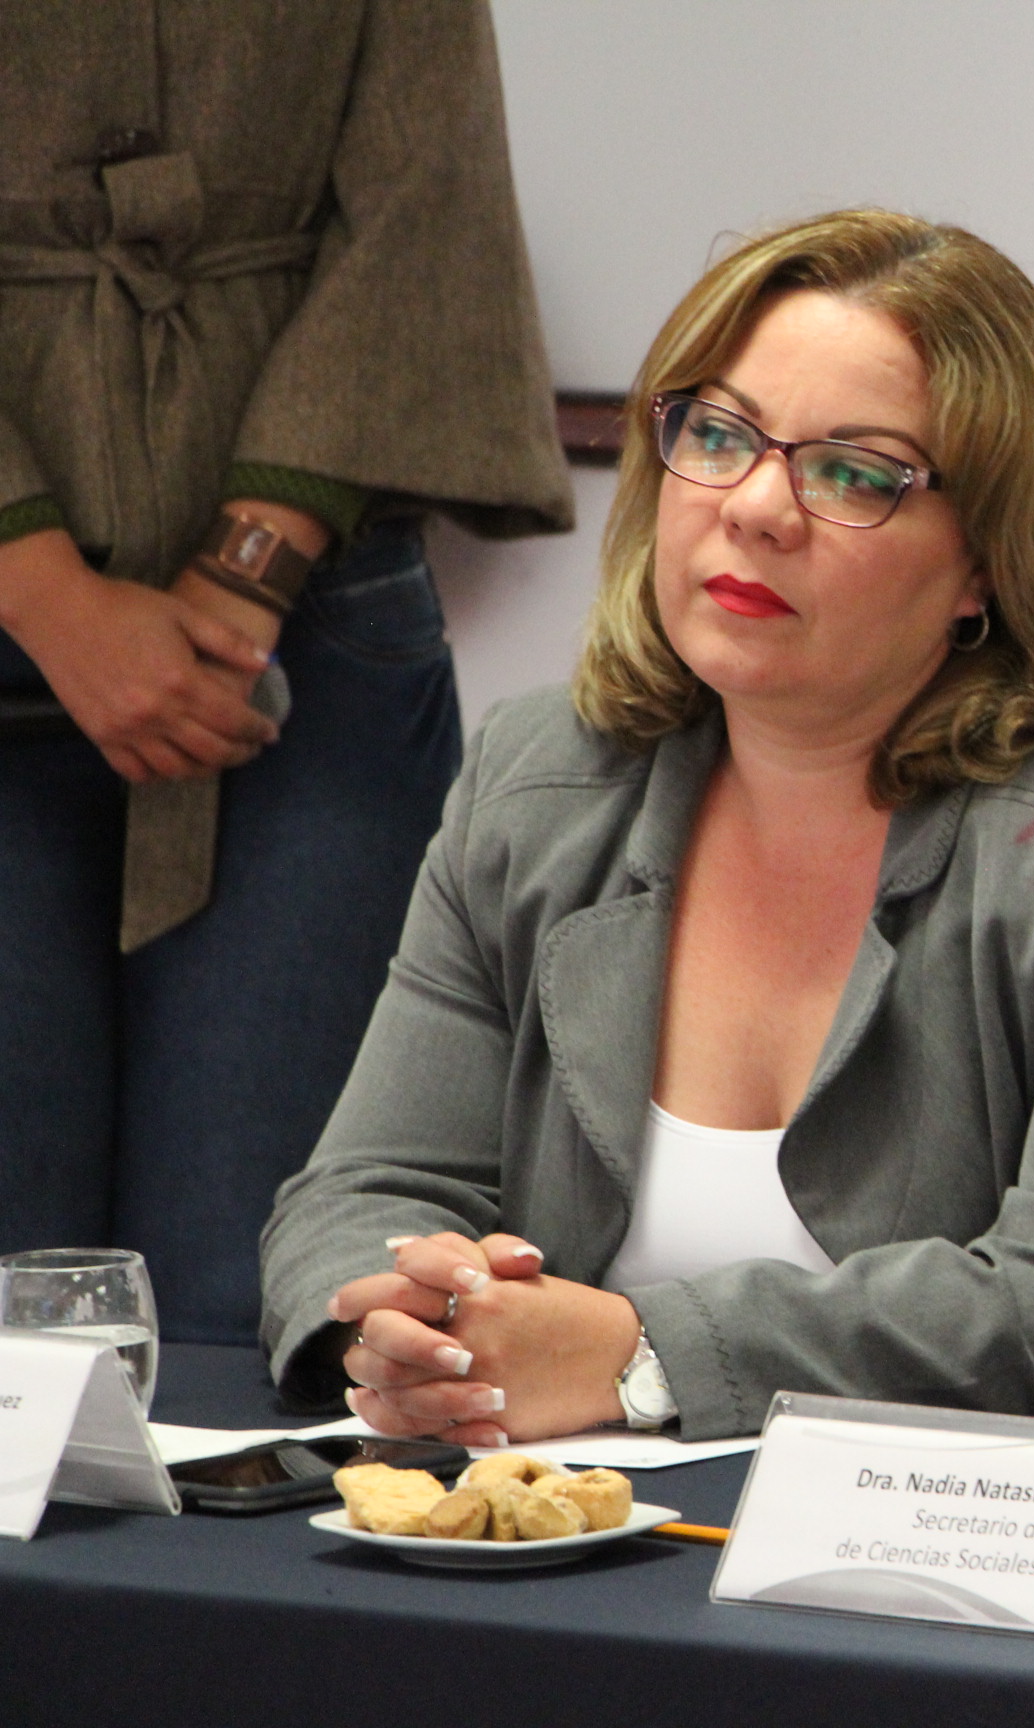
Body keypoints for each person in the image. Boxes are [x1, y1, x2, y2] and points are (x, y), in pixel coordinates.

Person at [259, 209, 1034, 1444]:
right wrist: (411, 1334)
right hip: (610, 1529)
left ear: (986, 560)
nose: (757, 506)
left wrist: (637, 1357)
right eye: (720, 435)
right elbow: (360, 1190)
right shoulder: (540, 778)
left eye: (854, 472)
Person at [0, 0, 572, 1344]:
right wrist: (42, 589)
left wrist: (242, 581)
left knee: (275, 1283)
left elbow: (431, 195)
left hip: (312, 629)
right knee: (10, 1296)